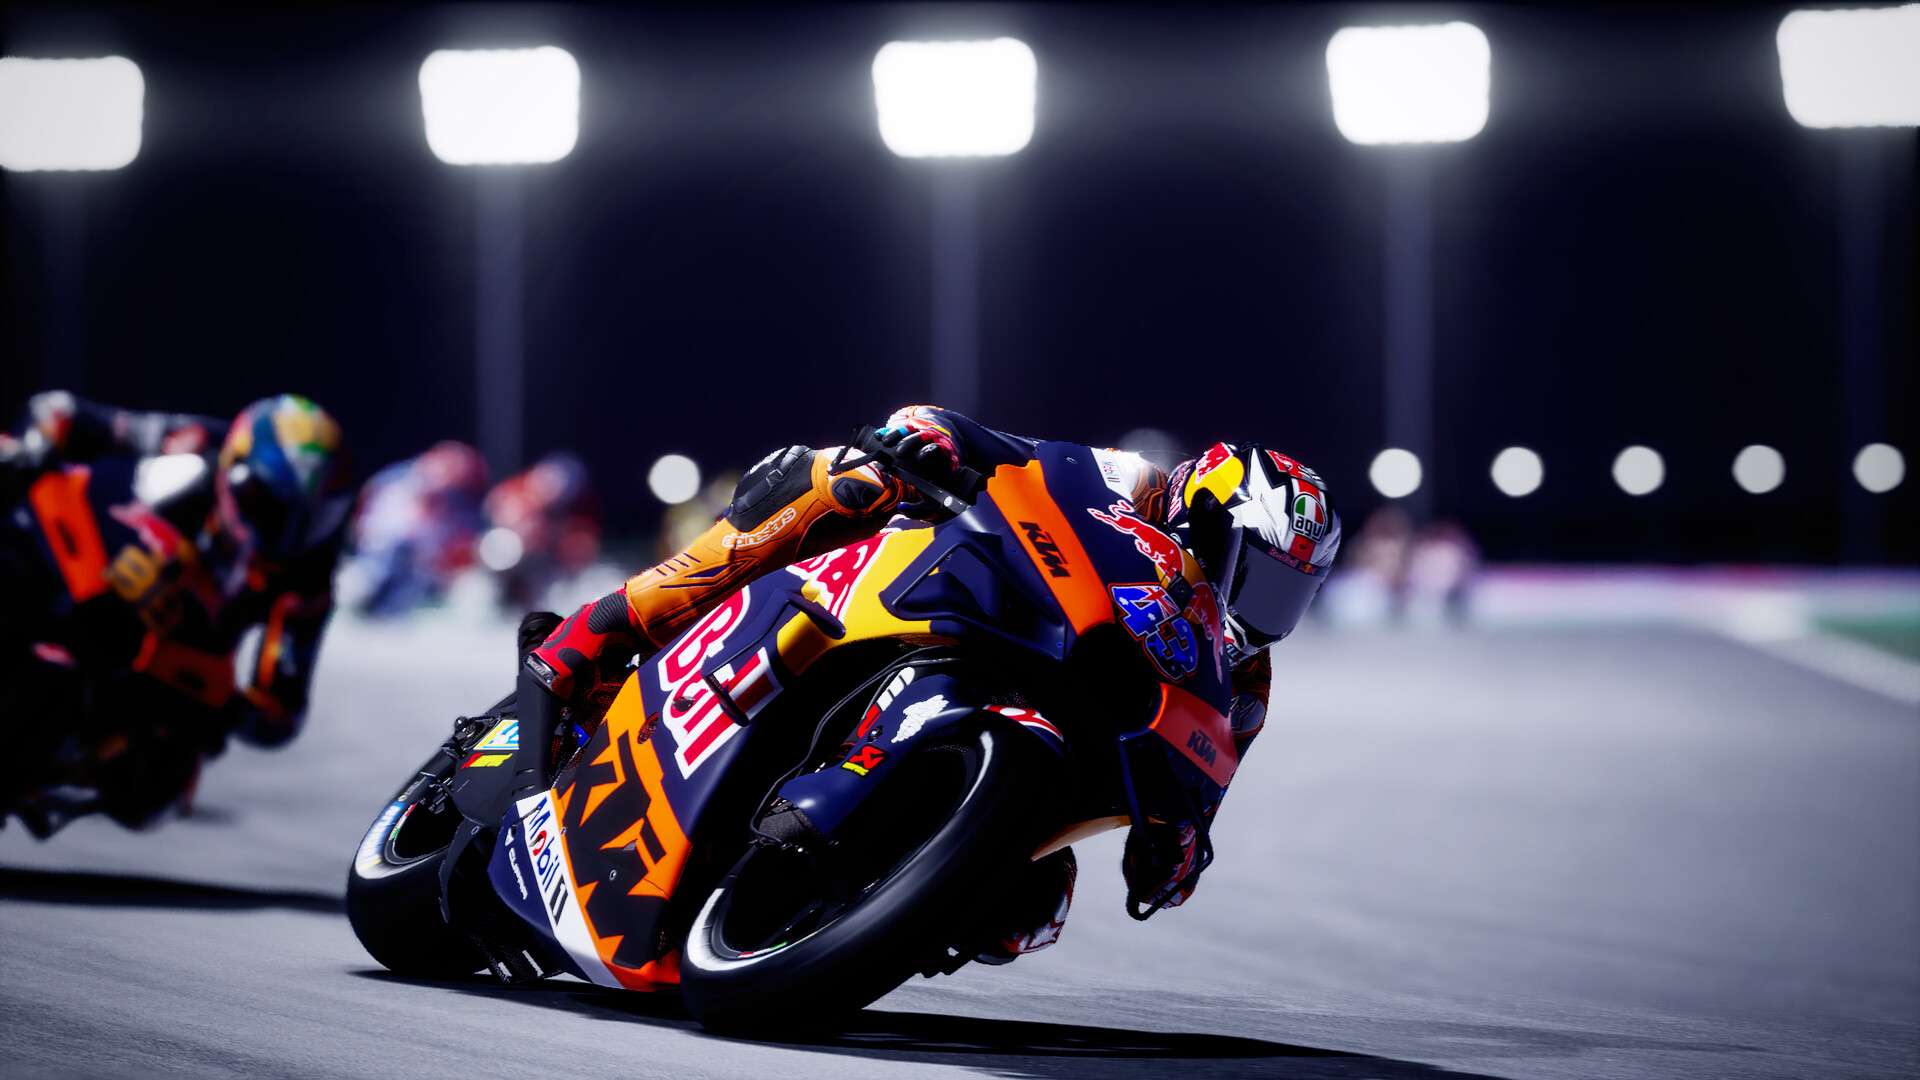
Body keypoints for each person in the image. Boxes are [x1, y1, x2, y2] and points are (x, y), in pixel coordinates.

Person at [517, 404, 1341, 961]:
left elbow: (1193, 819)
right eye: (1260, 577)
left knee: (1030, 911)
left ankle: (855, 914)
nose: (1267, 611)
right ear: (1206, 517)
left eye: (1291, 595)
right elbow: (998, 448)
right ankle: (605, 626)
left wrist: (1175, 850)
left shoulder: (1246, 679)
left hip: (1057, 725)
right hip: (956, 591)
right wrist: (930, 440)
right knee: (847, 477)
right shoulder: (1134, 484)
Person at [0, 391, 352, 834]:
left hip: (173, 659)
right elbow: (59, 410)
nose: (285, 534)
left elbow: (280, 712)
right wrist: (35, 446)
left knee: (154, 791)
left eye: (312, 520)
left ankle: (64, 758)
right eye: (266, 504)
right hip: (103, 562)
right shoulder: (196, 440)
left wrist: (218, 706)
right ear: (233, 466)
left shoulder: (308, 575)